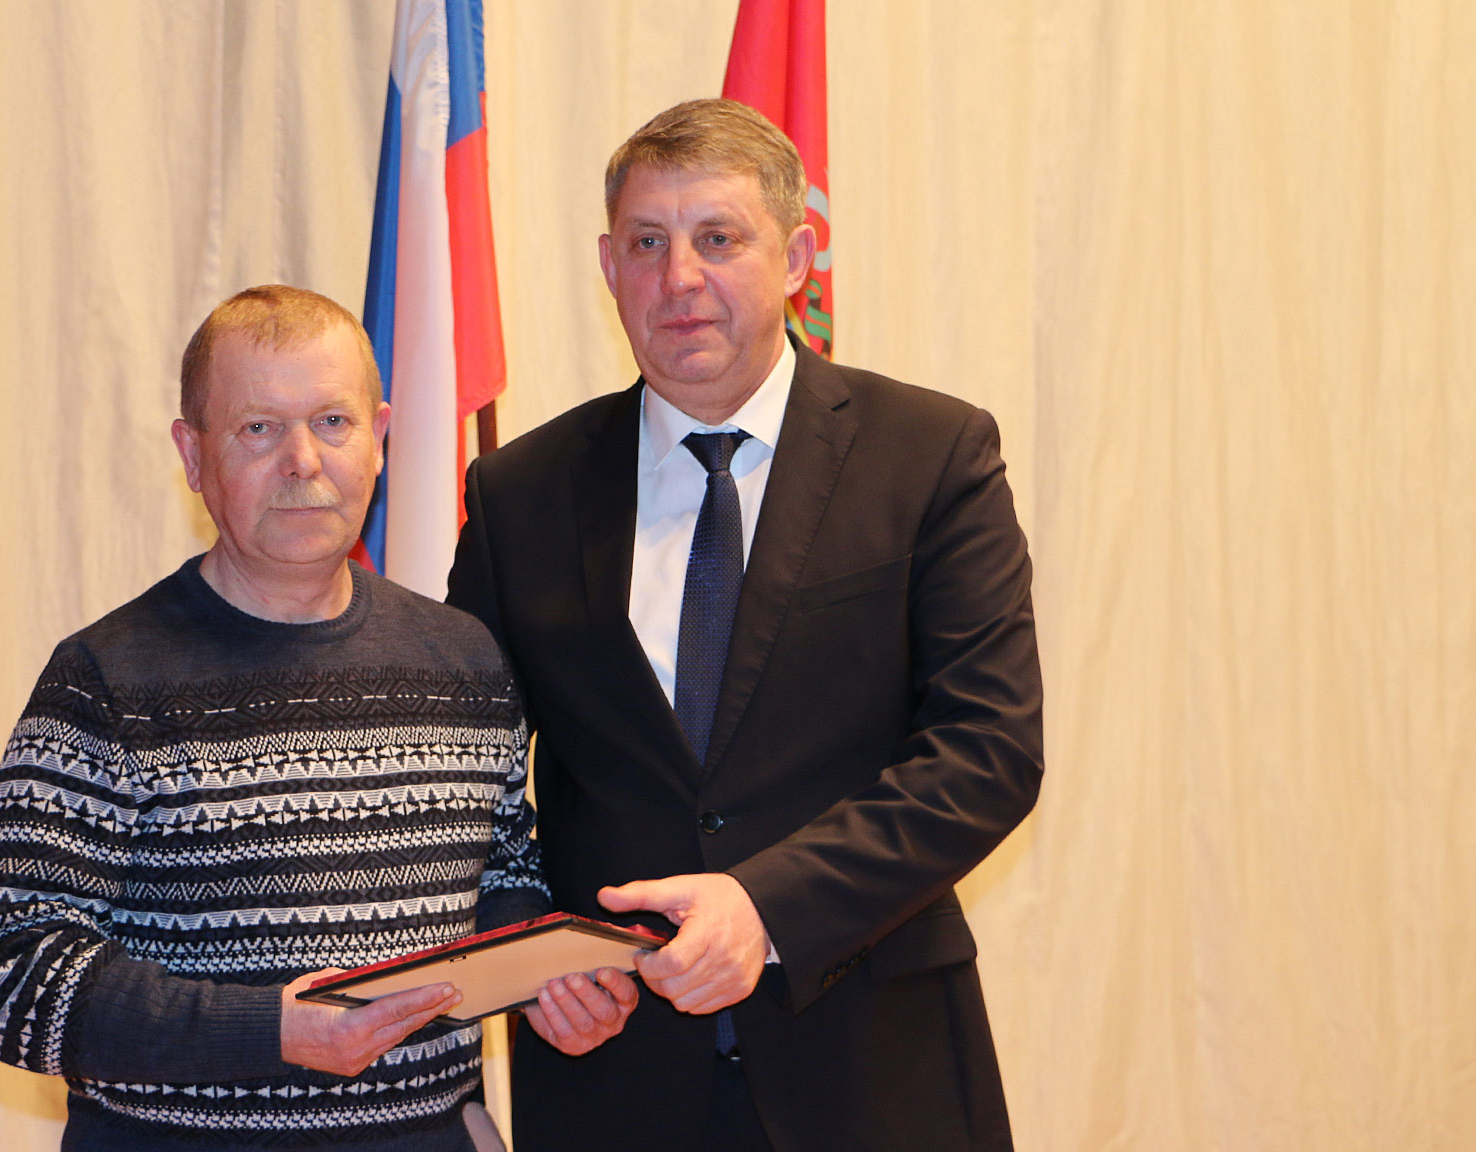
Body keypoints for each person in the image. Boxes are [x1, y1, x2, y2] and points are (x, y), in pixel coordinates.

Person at [447, 99, 1044, 1151]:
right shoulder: (519, 493)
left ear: (798, 256)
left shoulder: (930, 455)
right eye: (648, 243)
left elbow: (986, 752)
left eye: (719, 238)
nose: (680, 278)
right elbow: (466, 780)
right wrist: (526, 944)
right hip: (611, 1077)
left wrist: (767, 907)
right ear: (608, 265)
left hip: (873, 1070)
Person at [0, 285, 635, 1152]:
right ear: (192, 454)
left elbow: (500, 881)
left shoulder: (464, 661)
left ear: (380, 438)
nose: (303, 460)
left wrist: (549, 982)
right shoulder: (107, 682)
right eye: (258, 428)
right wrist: (270, 1030)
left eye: (333, 422)